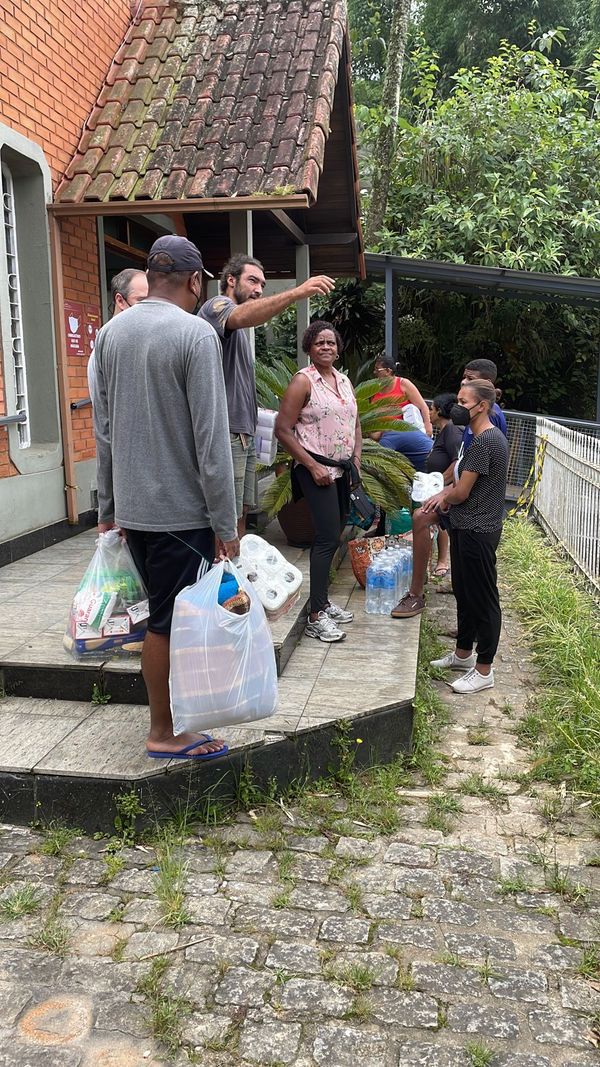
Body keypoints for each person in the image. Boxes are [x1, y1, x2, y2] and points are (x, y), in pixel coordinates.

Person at [93, 235, 239, 759]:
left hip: (134, 511)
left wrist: (107, 508)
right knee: (168, 625)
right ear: (196, 281)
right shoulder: (196, 334)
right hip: (181, 513)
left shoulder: (110, 335)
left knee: (162, 617)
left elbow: (103, 431)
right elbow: (211, 440)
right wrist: (226, 523)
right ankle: (164, 731)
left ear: (151, 277)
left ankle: (175, 719)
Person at [200, 255, 336, 537]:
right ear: (231, 280)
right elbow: (244, 315)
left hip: (244, 433)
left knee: (242, 511)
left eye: (262, 284)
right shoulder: (216, 307)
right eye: (253, 281)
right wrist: (298, 292)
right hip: (227, 433)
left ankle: (235, 561)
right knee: (226, 516)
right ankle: (221, 564)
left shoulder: (239, 330)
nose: (259, 289)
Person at [392, 356, 507, 618]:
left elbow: (481, 470)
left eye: (470, 379)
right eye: (463, 378)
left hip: (476, 510)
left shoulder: (491, 424)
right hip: (461, 497)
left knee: (424, 518)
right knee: (423, 518)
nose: (463, 382)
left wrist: (447, 495)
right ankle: (439, 601)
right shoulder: (469, 422)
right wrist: (445, 488)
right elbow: (464, 461)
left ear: (485, 390)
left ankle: (420, 595)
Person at [275, 321, 361, 643]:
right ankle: (315, 616)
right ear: (309, 348)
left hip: (342, 470)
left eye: (331, 342)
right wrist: (312, 466)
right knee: (325, 538)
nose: (326, 347)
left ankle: (322, 603)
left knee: (334, 535)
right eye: (319, 342)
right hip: (316, 472)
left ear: (338, 349)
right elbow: (283, 429)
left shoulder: (344, 381)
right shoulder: (303, 381)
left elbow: (355, 424)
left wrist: (356, 462)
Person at [421, 379, 508, 693]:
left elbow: (462, 491)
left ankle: (484, 670)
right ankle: (462, 654)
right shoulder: (476, 437)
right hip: (465, 525)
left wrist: (442, 497)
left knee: (483, 599)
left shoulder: (486, 441)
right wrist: (447, 493)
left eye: (463, 402)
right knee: (464, 591)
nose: (457, 407)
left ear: (481, 406)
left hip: (477, 529)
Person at [87, 268, 149, 398]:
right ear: (120, 300)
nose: (149, 307)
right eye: (142, 301)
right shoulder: (103, 348)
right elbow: (100, 403)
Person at [369, 353, 433, 471]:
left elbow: (423, 406)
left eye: (377, 370)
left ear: (388, 371)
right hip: (383, 436)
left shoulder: (403, 384)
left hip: (402, 434)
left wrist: (428, 426)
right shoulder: (374, 388)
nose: (375, 372)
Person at [426, 393, 464, 578]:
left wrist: (440, 483)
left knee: (437, 522)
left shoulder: (452, 430)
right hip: (437, 487)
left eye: (431, 409)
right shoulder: (443, 431)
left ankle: (443, 561)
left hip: (445, 490)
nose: (429, 412)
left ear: (439, 411)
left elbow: (457, 461)